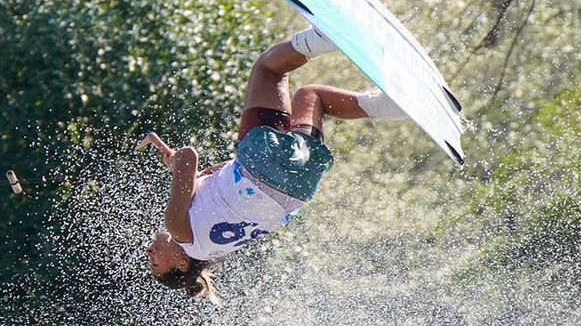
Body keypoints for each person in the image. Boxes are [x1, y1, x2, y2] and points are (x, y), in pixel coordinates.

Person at [143, 27, 409, 303]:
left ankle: (391, 106)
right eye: (155, 263)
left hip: (298, 188)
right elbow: (189, 156)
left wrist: (210, 173)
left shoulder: (216, 248)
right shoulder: (177, 229)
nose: (150, 253)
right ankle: (327, 35)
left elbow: (233, 198)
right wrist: (177, 163)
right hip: (261, 164)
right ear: (183, 265)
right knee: (269, 69)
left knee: (312, 97)